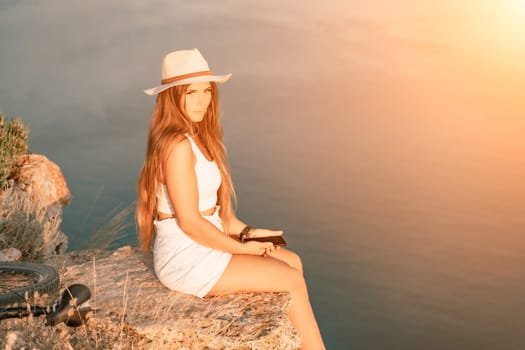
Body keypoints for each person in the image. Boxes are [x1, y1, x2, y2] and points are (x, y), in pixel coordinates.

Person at [136, 48, 325, 349]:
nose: (202, 100)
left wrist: (248, 233)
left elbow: (217, 214)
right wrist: (243, 249)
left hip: (203, 245)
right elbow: (190, 222)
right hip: (186, 257)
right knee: (291, 280)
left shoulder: (197, 138)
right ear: (173, 97)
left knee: (292, 261)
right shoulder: (177, 146)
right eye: (190, 93)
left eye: (206, 91)